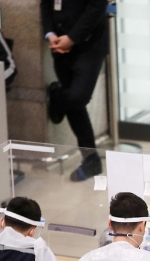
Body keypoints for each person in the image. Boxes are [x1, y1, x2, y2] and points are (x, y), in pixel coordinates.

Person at [41, 0, 108, 182]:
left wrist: (72, 39)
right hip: (60, 48)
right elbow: (46, 5)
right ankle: (91, 158)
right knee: (75, 106)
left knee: (78, 97)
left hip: (89, 46)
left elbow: (96, 7)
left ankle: (57, 97)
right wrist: (50, 33)